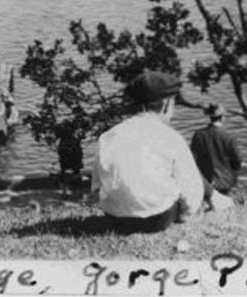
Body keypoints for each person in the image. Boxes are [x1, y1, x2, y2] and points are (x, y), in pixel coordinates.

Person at [92, 70, 216, 234]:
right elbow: (191, 188)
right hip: (156, 218)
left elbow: (96, 186)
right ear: (166, 104)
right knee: (181, 176)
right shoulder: (169, 136)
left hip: (115, 218)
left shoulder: (108, 136)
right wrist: (185, 215)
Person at [190, 103, 242, 196]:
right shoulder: (228, 137)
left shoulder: (198, 135)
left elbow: (192, 158)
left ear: (209, 117)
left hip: (205, 182)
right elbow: (238, 161)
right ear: (222, 118)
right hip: (225, 182)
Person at [56, 121, 84, 197]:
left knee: (63, 175)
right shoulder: (74, 140)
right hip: (75, 160)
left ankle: (64, 193)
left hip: (65, 160)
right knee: (76, 173)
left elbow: (60, 152)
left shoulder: (63, 141)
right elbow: (79, 152)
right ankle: (79, 192)